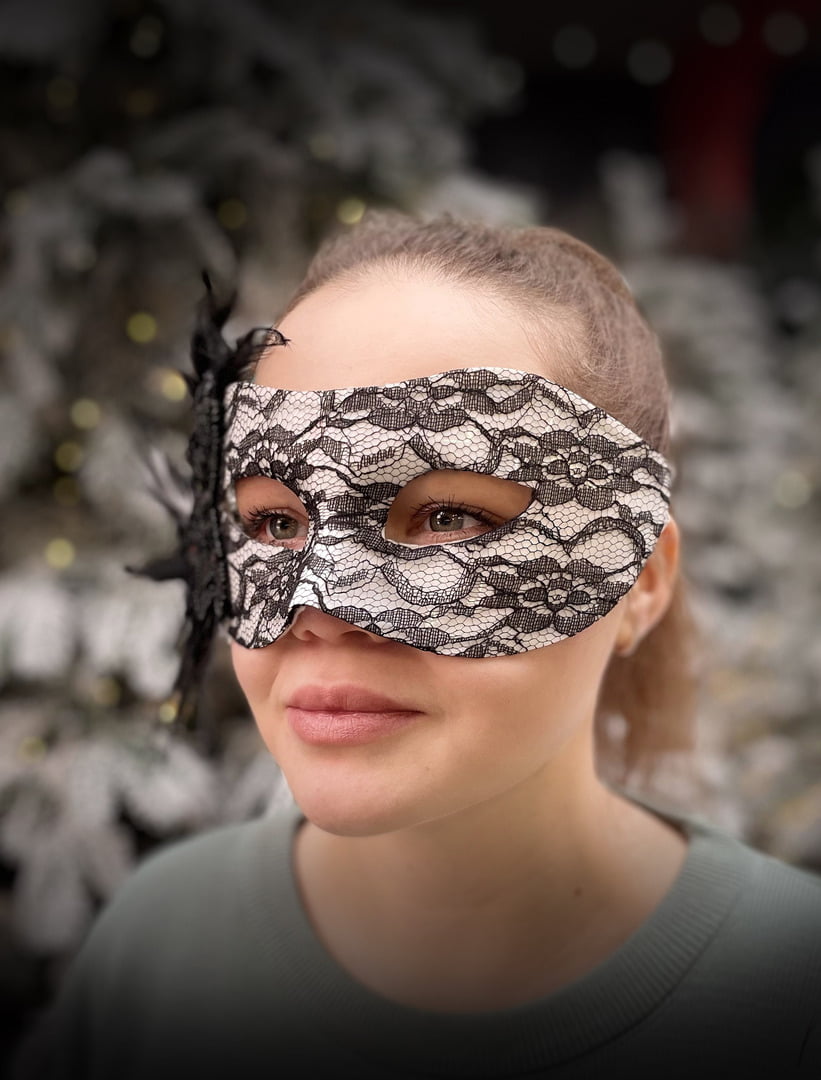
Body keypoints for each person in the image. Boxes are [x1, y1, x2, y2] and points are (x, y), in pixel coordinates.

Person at [17, 214, 821, 1079]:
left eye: (447, 516)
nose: (319, 607)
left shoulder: (788, 994)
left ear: (642, 579)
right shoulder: (154, 954)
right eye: (274, 523)